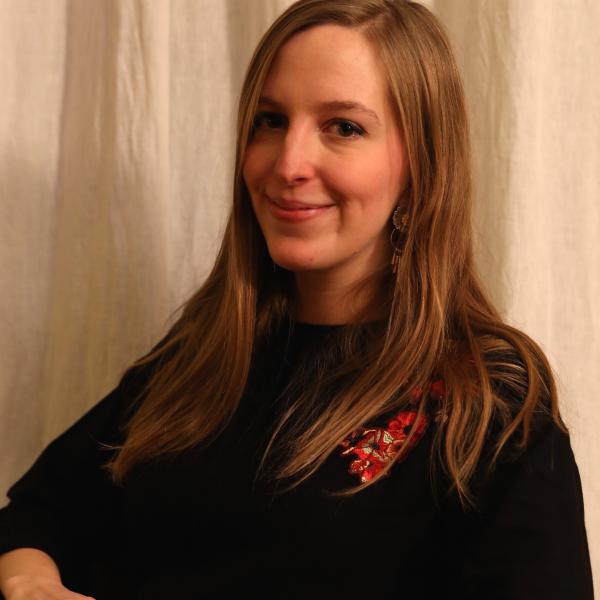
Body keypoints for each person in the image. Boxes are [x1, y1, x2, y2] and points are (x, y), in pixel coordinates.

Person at [0, 0, 594, 598]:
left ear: (421, 168)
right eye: (270, 120)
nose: (288, 163)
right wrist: (29, 583)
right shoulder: (202, 356)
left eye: (343, 127)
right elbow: (35, 512)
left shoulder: (490, 403)